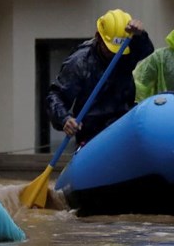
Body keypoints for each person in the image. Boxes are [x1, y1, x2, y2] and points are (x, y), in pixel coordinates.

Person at [46, 9, 154, 146]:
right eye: (110, 49)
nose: (115, 54)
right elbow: (56, 96)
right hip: (92, 133)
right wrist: (64, 119)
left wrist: (140, 36)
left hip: (123, 126)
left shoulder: (125, 52)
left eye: (118, 50)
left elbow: (146, 50)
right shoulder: (80, 62)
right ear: (98, 37)